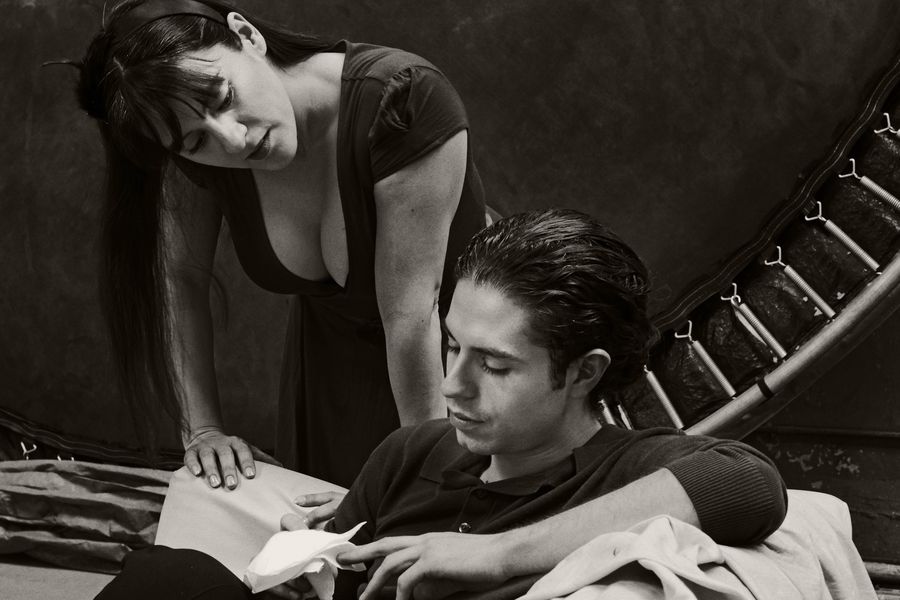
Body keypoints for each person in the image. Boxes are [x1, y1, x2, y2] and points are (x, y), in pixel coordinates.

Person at [96, 209, 787, 600]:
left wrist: (494, 555)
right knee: (169, 576)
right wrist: (307, 553)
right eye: (451, 346)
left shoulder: (624, 471)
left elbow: (745, 482)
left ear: (584, 372)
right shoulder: (414, 453)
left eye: (494, 365)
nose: (453, 385)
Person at [73, 0, 487, 488]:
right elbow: (181, 277)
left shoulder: (403, 99)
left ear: (247, 36)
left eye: (222, 97)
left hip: (459, 379)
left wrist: (418, 481)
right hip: (327, 389)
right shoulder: (194, 152)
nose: (232, 140)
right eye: (196, 141)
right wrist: (202, 431)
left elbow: (411, 317)